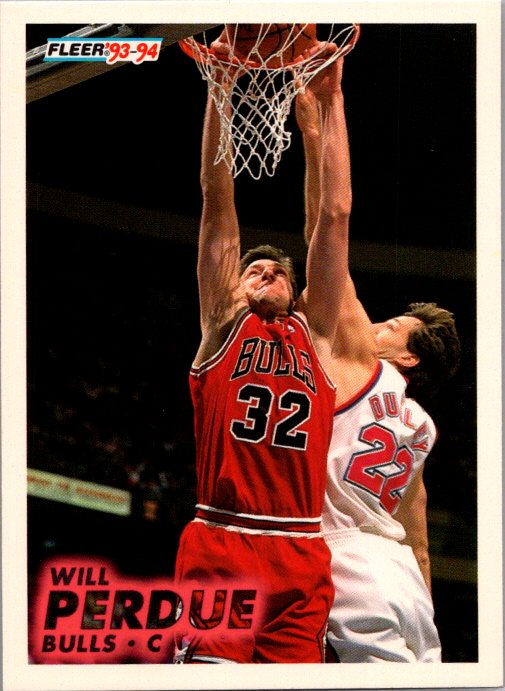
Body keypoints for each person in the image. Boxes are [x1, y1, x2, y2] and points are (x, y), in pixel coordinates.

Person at [173, 57, 351, 663]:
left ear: (296, 292)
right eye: (254, 269)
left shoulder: (315, 333)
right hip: (223, 538)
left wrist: (330, 104)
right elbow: (215, 198)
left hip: (300, 549)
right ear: (237, 287)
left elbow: (334, 217)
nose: (267, 271)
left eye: (279, 271)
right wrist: (219, 87)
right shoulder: (225, 324)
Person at [296, 76, 460, 663]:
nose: (376, 325)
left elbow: (326, 230)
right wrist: (424, 611)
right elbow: (419, 542)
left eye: (391, 325)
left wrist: (316, 129)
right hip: (405, 581)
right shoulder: (421, 428)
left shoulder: (360, 362)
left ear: (408, 357)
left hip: (348, 562)